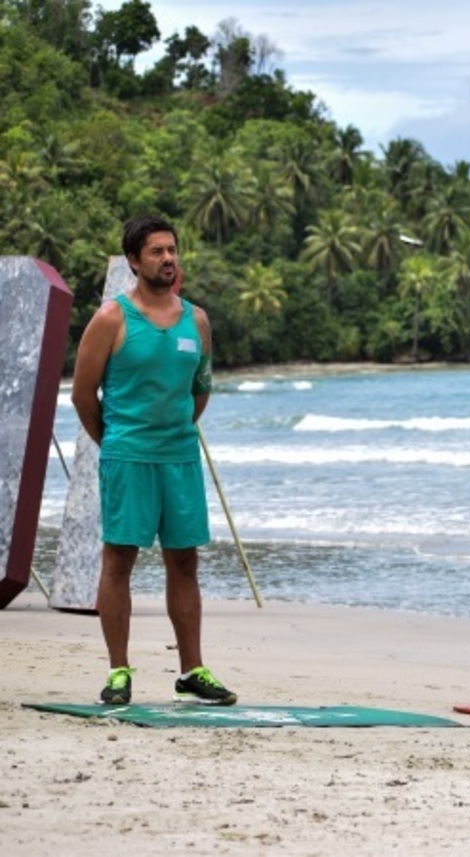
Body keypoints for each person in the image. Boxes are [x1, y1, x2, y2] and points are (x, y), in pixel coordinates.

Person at [72, 214, 237, 706]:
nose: (168, 259)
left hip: (180, 459)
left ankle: (192, 671)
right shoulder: (112, 319)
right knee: (119, 560)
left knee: (184, 562)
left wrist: (178, 430)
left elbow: (200, 390)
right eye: (157, 252)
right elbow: (83, 395)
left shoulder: (197, 320)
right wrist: (116, 441)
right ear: (133, 261)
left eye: (172, 250)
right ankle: (119, 671)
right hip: (128, 457)